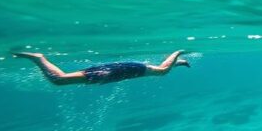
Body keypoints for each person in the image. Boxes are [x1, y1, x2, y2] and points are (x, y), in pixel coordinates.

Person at [13, 50, 190, 85]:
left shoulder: (141, 70)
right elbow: (161, 69)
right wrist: (178, 53)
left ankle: (178, 61)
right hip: (112, 72)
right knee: (58, 80)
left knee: (160, 71)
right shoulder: (141, 70)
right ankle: (177, 53)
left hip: (116, 71)